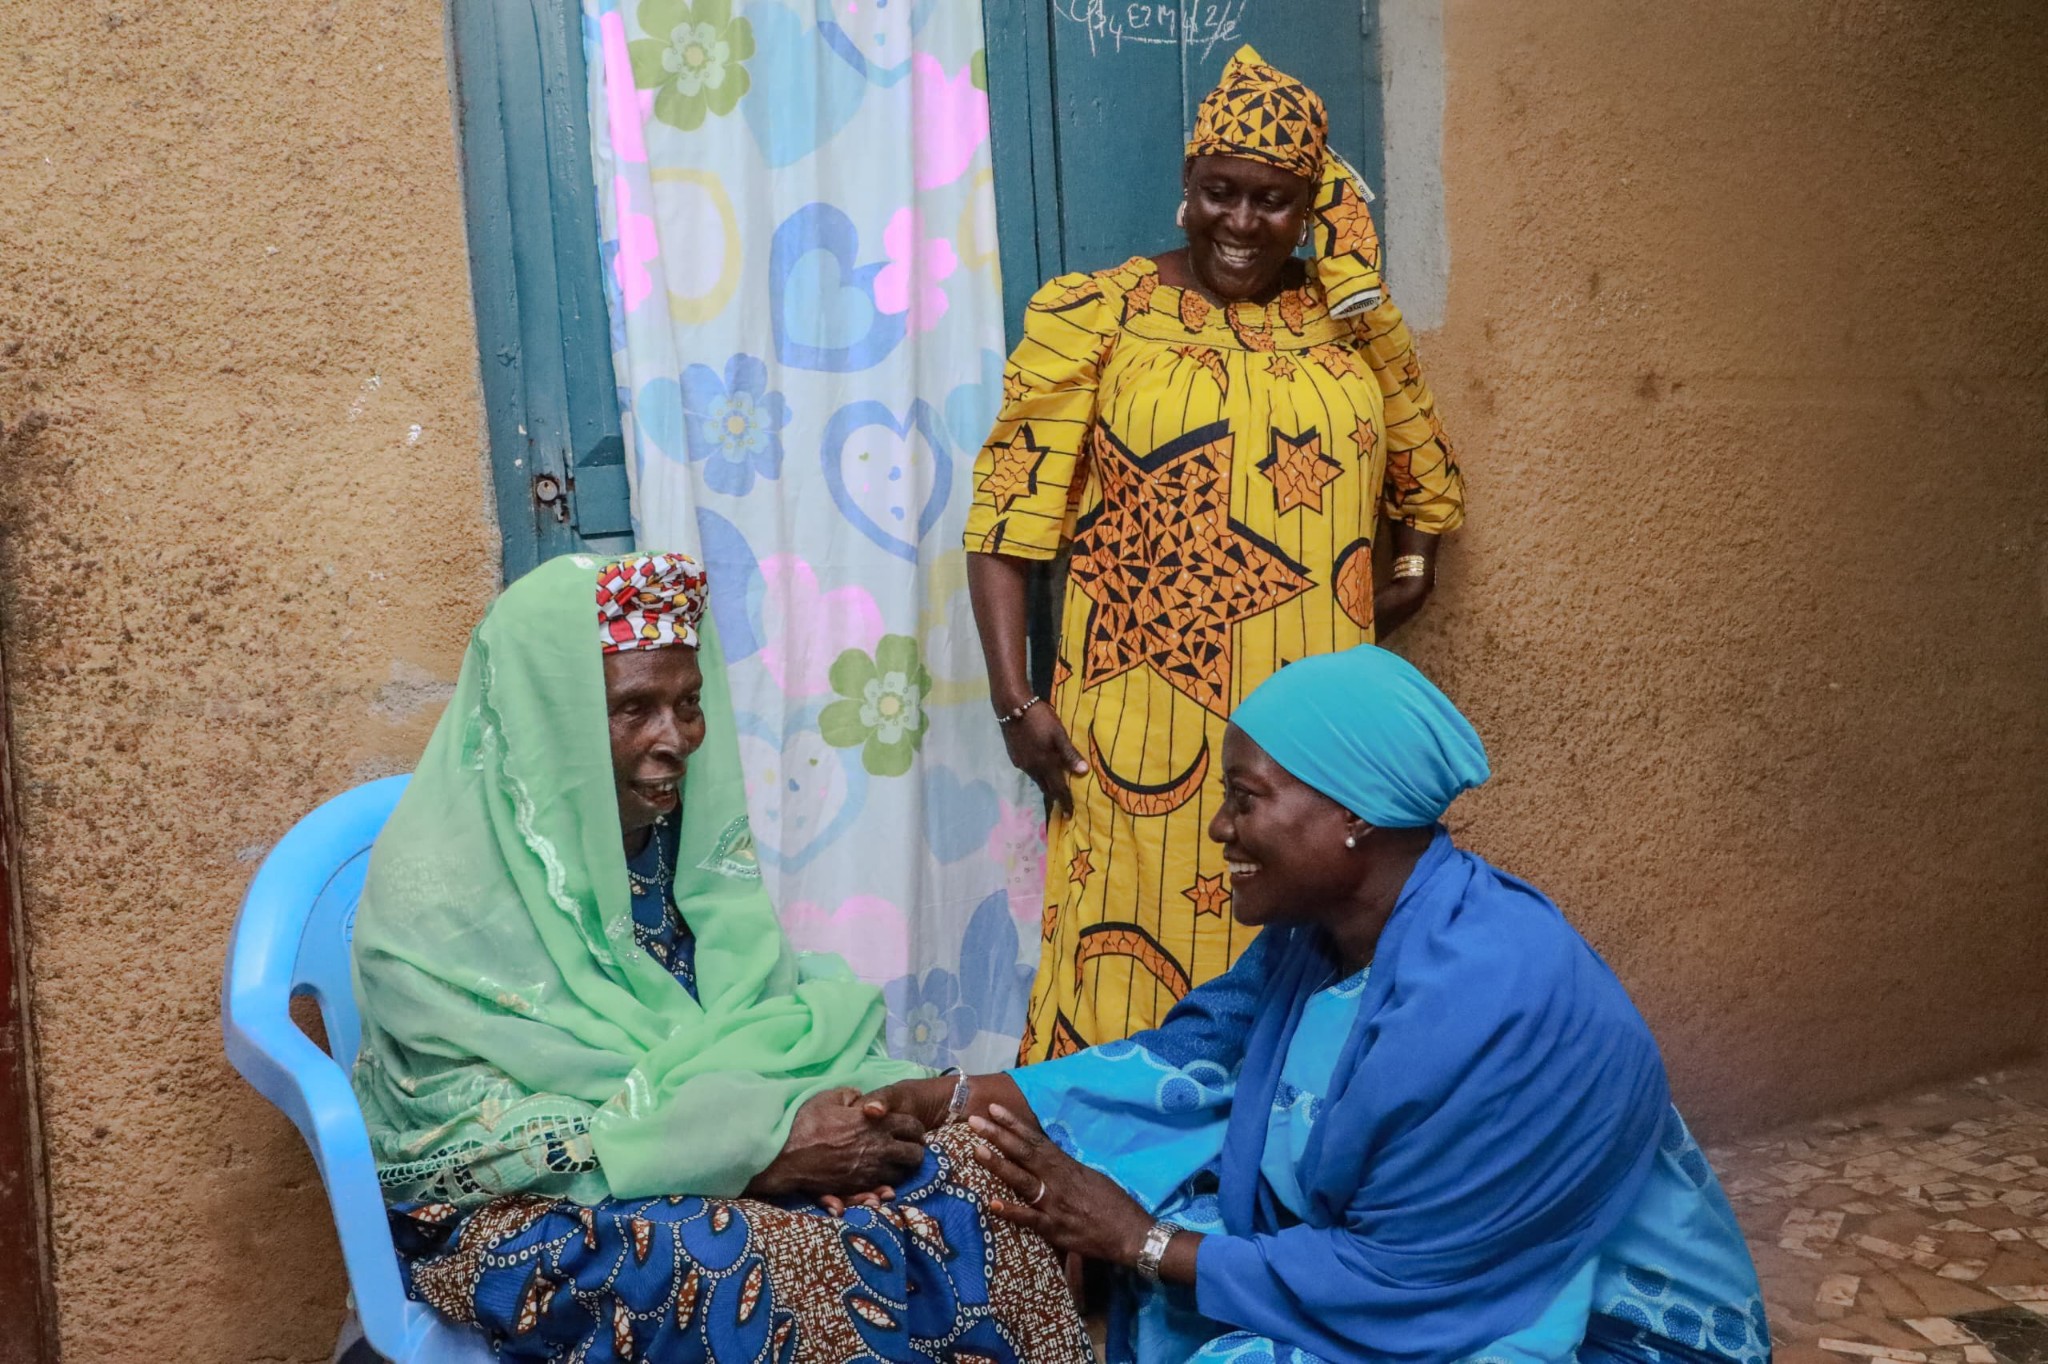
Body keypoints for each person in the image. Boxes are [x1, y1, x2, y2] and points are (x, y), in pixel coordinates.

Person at [867, 646, 1769, 1364]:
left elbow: (1407, 1279)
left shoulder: (1495, 999)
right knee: (1014, 1184)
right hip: (1387, 1269)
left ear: (1356, 815)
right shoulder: (1320, 938)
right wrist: (947, 1097)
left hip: (1571, 1318)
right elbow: (1184, 1063)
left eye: (1245, 798)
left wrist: (1142, 1242)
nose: (1220, 828)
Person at [348, 552, 1091, 1364]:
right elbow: (472, 1133)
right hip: (522, 1207)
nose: (675, 742)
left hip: (717, 1137)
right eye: (633, 708)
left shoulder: (675, 845)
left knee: (975, 1176)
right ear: (546, 720)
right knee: (765, 1255)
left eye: (689, 704)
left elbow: (751, 1016)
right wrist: (755, 1152)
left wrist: (836, 1120)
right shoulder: (433, 900)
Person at [964, 45, 1468, 1062]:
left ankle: (1272, 1137)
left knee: (1297, 938)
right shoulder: (1100, 313)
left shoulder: (1349, 320)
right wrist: (1015, 702)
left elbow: (1427, 478)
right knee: (1122, 946)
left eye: (1272, 200)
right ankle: (1100, 1138)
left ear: (1308, 207)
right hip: (1137, 720)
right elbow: (1007, 516)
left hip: (1307, 732)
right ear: (1186, 189)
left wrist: (1394, 589)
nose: (1241, 221)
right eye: (1219, 192)